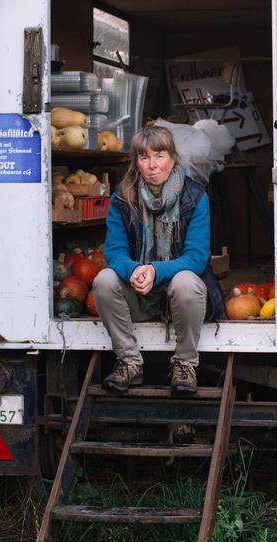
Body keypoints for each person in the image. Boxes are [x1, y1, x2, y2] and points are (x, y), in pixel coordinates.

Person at [93, 125, 224, 395]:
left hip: (182, 301)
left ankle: (185, 364)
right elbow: (114, 251)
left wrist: (154, 270)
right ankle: (129, 362)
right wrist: (133, 271)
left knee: (186, 282)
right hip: (140, 296)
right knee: (104, 280)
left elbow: (197, 257)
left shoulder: (195, 196)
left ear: (173, 158)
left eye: (160, 156)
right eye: (144, 157)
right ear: (136, 163)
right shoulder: (122, 197)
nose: (152, 165)